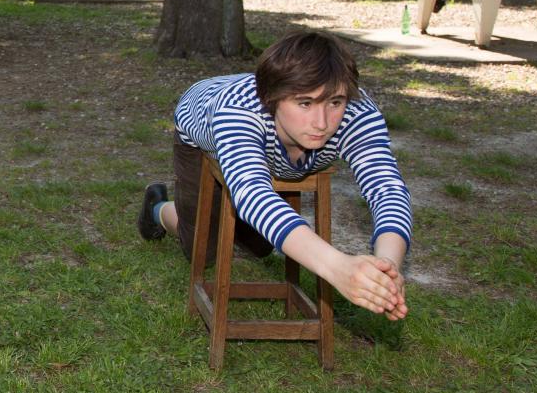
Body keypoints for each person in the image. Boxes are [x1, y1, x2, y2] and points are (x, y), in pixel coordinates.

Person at [137, 30, 411, 320]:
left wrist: (386, 268)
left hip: (268, 153)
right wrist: (337, 267)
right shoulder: (238, 112)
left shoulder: (358, 111)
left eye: (334, 103)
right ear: (272, 99)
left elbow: (387, 188)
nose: (322, 122)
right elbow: (252, 193)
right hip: (202, 125)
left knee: (260, 246)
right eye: (305, 103)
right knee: (202, 250)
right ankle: (157, 209)